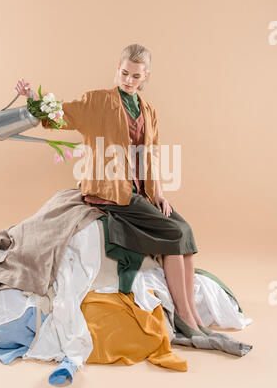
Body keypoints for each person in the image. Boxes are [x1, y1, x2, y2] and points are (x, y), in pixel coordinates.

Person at [15, 44, 207, 337]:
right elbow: (61, 115)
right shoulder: (98, 101)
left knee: (187, 232)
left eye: (136, 76)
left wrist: (158, 195)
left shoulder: (149, 111)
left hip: (140, 190)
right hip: (110, 190)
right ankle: (183, 317)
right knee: (173, 233)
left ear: (146, 77)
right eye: (125, 73)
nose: (129, 80)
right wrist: (33, 98)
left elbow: (151, 153)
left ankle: (193, 313)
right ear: (118, 69)